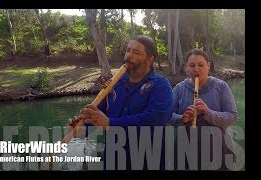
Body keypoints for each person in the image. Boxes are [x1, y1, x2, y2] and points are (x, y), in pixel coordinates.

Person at [67, 35, 173, 170]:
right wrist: (82, 129)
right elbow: (98, 116)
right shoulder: (114, 84)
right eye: (128, 50)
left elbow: (155, 121)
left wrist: (110, 123)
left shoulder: (161, 85)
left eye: (136, 52)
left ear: (150, 60)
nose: (129, 55)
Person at [169, 48, 237, 170]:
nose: (196, 69)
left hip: (216, 148)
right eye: (192, 65)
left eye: (201, 65)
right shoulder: (179, 89)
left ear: (208, 66)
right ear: (186, 68)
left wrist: (208, 112)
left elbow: (232, 116)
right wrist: (183, 119)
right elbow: (168, 116)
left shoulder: (221, 86)